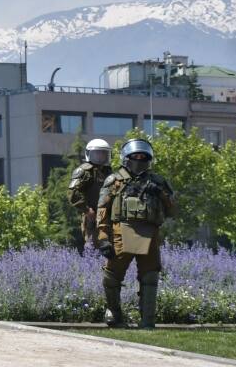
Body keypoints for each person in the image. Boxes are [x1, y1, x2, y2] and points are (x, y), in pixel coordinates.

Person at [96, 138, 177, 328]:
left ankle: (147, 320)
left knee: (150, 276)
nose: (139, 160)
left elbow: (173, 210)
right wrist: (103, 237)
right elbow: (102, 210)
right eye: (135, 156)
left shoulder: (158, 182)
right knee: (111, 275)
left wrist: (160, 193)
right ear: (127, 158)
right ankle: (114, 315)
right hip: (120, 232)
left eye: (143, 157)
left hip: (150, 233)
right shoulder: (114, 181)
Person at [67, 139, 112, 248]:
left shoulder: (108, 171)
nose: (100, 156)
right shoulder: (85, 171)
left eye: (103, 153)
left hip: (109, 216)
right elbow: (72, 193)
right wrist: (87, 210)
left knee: (111, 248)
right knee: (93, 247)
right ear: (89, 154)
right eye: (97, 153)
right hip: (93, 216)